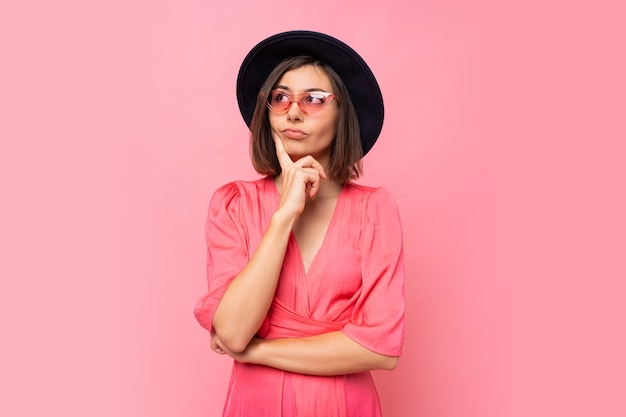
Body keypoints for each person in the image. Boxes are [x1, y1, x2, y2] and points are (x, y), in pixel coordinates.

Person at [194, 30, 405, 417]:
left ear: (344, 113)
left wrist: (257, 351)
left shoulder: (375, 208)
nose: (293, 111)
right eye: (281, 97)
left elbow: (379, 348)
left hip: (345, 406)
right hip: (256, 404)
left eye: (313, 99)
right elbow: (234, 330)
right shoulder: (234, 204)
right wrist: (284, 216)